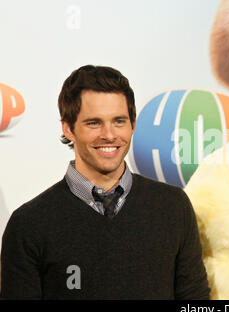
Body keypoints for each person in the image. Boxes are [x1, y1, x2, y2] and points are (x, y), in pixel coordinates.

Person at [0, 65, 210, 299]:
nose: (109, 135)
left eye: (119, 121)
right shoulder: (29, 224)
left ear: (133, 124)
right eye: (94, 123)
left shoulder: (173, 206)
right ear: (68, 128)